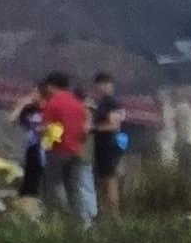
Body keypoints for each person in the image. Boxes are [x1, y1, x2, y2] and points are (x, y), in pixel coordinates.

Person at [37, 68, 95, 223]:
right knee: (74, 191)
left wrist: (43, 143)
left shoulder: (53, 103)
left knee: (53, 187)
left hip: (57, 151)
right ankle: (80, 224)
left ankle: (59, 220)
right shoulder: (78, 105)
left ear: (51, 86)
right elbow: (84, 131)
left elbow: (49, 128)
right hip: (76, 152)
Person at [91, 76, 127, 217]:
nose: (99, 88)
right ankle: (106, 212)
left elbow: (114, 125)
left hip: (109, 144)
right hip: (102, 146)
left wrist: (93, 128)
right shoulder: (102, 103)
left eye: (102, 85)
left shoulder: (112, 103)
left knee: (109, 180)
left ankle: (113, 214)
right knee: (103, 180)